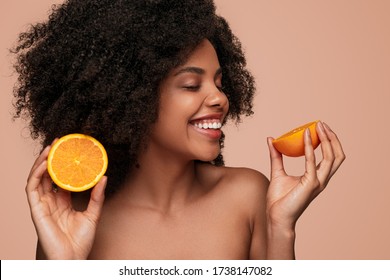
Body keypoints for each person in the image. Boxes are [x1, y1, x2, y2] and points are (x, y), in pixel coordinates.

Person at [13, 0, 345, 260]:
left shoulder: (248, 195)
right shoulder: (77, 216)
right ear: (131, 96)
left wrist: (281, 228)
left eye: (219, 82)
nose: (219, 98)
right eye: (191, 85)